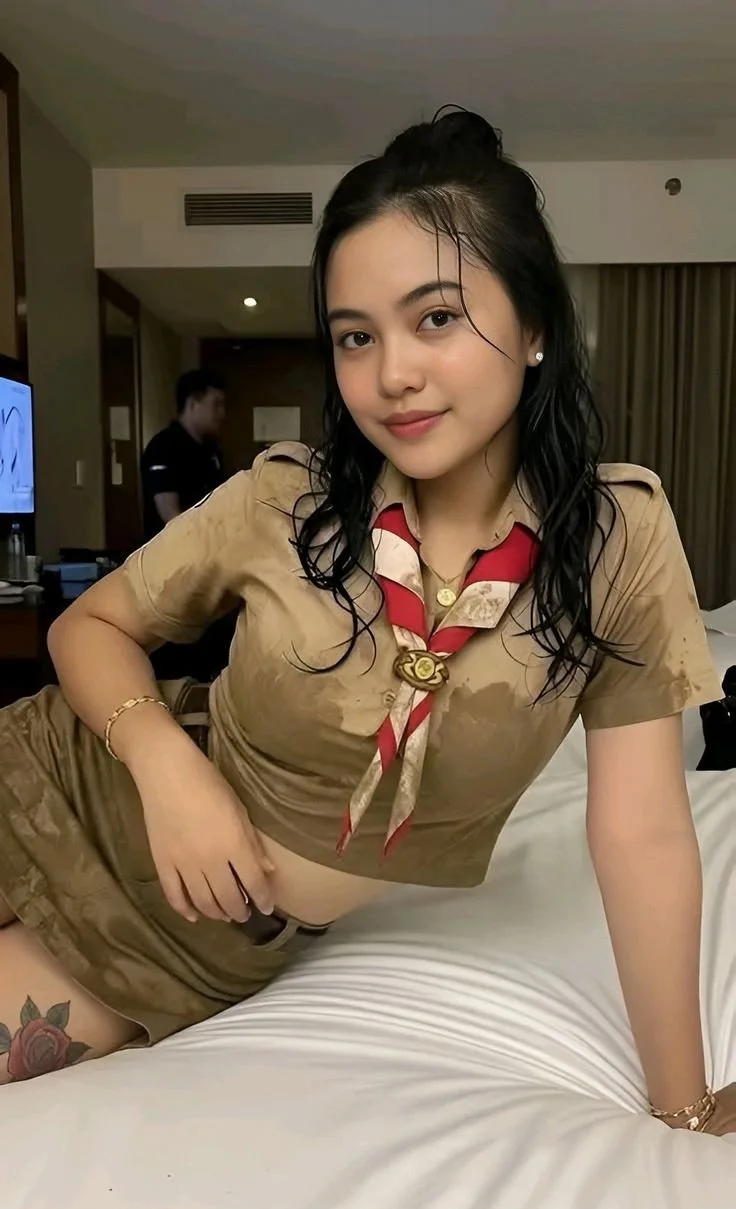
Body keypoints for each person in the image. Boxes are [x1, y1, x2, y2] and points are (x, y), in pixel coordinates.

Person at [0, 110, 733, 1134]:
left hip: (193, 935)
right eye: (356, 336)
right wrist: (167, 769)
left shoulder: (617, 539)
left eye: (435, 319)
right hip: (66, 775)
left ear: (534, 328)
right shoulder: (286, 496)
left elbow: (643, 832)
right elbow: (87, 626)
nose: (391, 374)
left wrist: (683, 1104)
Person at [141, 369, 226, 540]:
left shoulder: (211, 451)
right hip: (174, 548)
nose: (222, 413)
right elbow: (170, 515)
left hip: (211, 545)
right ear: (193, 404)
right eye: (216, 404)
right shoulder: (163, 447)